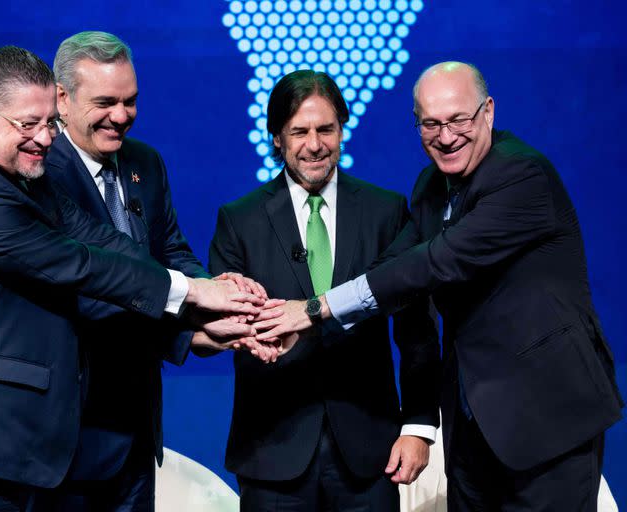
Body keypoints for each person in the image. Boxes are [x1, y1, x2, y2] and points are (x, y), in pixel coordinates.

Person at [0, 45, 268, 511]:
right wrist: (193, 292)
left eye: (47, 123)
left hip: (17, 450)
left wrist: (205, 302)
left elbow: (100, 239)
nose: (43, 138)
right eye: (27, 124)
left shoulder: (20, 174)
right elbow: (80, 265)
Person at [252, 62, 623, 511]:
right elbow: (394, 263)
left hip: (548, 422)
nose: (445, 136)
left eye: (458, 120)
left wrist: (313, 310)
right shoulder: (431, 185)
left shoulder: (523, 176)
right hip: (471, 430)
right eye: (430, 123)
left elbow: (434, 263)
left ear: (488, 112)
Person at [43, 31, 277, 510]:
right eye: (105, 102)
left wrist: (217, 291)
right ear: (62, 99)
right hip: (66, 433)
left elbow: (170, 252)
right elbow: (87, 290)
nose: (122, 115)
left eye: (131, 101)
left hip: (136, 428)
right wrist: (189, 328)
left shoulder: (145, 163)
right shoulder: (40, 171)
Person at [209, 70, 441, 511]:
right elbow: (225, 322)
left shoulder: (385, 211)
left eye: (325, 129)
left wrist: (417, 426)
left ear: (341, 129)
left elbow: (416, 331)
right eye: (299, 131)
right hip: (272, 452)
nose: (314, 145)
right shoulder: (239, 220)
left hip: (370, 454)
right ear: (276, 137)